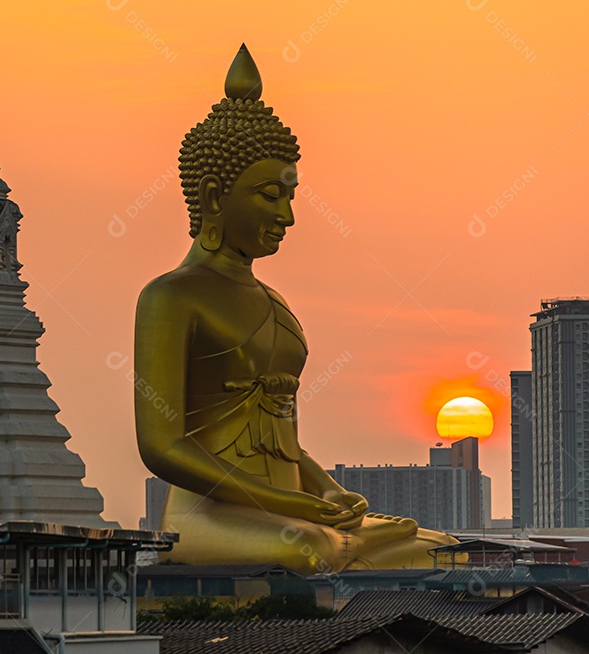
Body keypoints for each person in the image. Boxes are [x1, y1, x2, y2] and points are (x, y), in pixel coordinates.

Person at [133, 45, 455, 573]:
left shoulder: (274, 303)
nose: (287, 215)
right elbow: (162, 446)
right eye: (269, 196)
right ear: (214, 195)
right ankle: (339, 545)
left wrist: (330, 492)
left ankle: (348, 541)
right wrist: (286, 505)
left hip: (296, 510)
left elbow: (285, 442)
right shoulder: (171, 296)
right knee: (307, 549)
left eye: (291, 196)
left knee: (446, 550)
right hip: (214, 513)